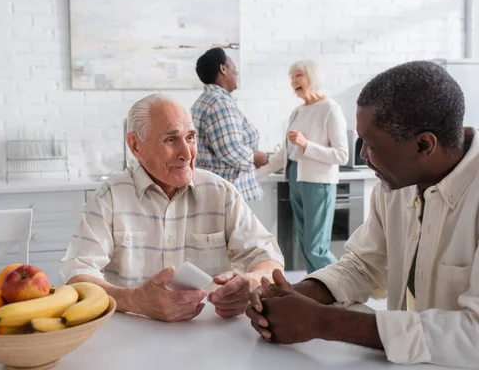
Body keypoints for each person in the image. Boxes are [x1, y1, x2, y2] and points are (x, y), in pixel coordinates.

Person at [246, 60, 479, 368]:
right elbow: (363, 266)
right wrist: (293, 296)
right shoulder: (396, 186)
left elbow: (473, 336)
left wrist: (323, 322)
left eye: (371, 145)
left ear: (424, 145)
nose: (362, 157)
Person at [60, 94, 284, 323]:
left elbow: (267, 255)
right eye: (170, 140)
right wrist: (134, 300)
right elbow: (75, 274)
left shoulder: (221, 192)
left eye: (190, 138)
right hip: (132, 335)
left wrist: (253, 281)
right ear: (135, 145)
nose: (187, 154)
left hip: (211, 334)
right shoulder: (110, 197)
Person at [258, 60, 348, 273]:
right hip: (295, 178)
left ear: (312, 77)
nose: (293, 82)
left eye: (298, 76)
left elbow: (342, 155)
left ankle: (344, 288)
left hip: (318, 183)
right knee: (306, 246)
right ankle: (317, 292)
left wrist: (306, 144)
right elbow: (284, 154)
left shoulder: (330, 108)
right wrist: (255, 174)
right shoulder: (297, 111)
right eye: (291, 78)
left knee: (316, 247)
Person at [191, 47, 269, 202]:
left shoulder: (206, 100)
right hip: (228, 193)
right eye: (234, 67)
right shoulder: (220, 102)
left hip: (217, 191)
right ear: (223, 68)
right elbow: (230, 150)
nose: (237, 73)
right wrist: (256, 157)